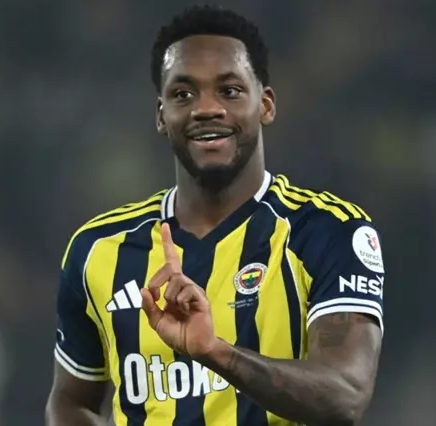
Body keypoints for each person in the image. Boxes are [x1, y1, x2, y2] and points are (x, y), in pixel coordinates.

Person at [45, 5, 385, 426]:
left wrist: (215, 352)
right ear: (161, 116)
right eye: (183, 94)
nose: (206, 108)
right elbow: (70, 401)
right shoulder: (97, 251)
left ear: (265, 105)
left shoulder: (326, 232)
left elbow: (344, 395)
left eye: (229, 90)